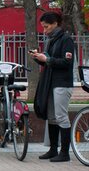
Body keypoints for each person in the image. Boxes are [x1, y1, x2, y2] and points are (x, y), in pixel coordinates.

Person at [31, 12, 75, 162]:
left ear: (55, 23)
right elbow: (49, 61)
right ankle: (53, 149)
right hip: (50, 82)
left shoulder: (66, 39)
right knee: (51, 116)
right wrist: (40, 58)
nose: (44, 30)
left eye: (46, 26)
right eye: (43, 27)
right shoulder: (51, 40)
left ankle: (65, 152)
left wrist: (48, 59)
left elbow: (66, 62)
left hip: (62, 83)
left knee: (61, 116)